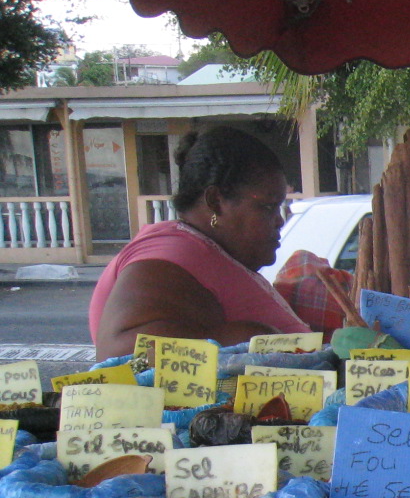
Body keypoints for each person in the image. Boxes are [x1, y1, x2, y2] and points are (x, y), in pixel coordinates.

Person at [89, 126, 310, 359]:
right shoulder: (174, 253)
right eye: (267, 207)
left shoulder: (204, 250)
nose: (279, 221)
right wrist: (246, 338)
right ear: (216, 201)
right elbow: (119, 354)